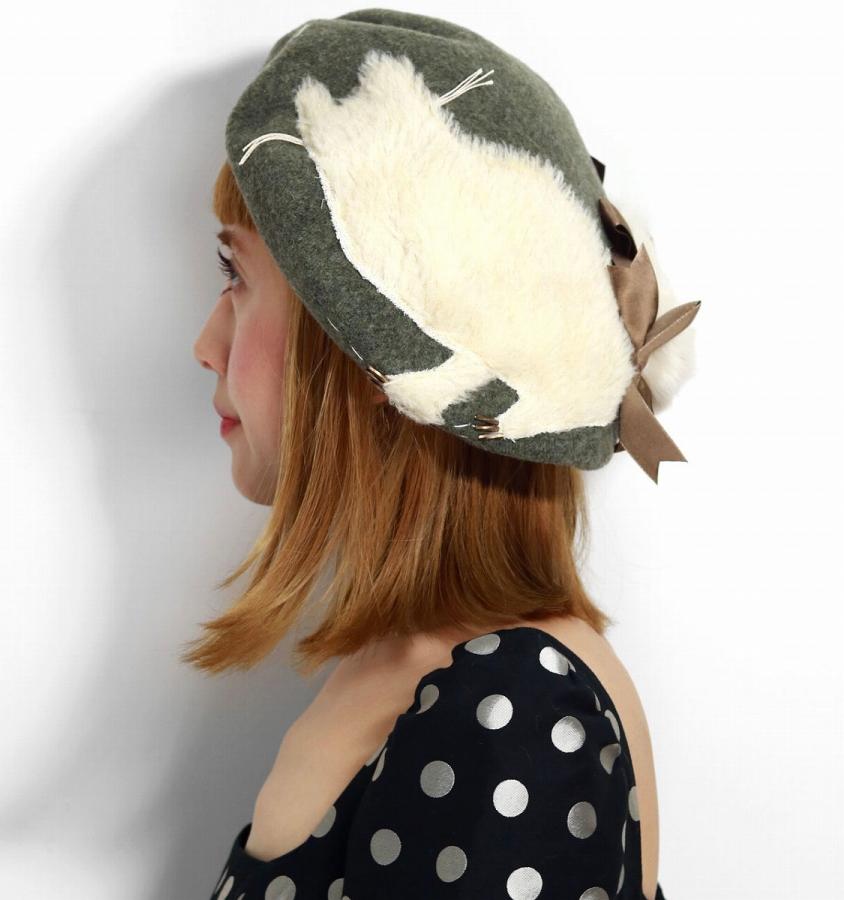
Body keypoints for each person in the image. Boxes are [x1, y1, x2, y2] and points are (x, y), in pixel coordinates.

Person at [190, 9, 700, 900]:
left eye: (236, 276)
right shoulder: (433, 675)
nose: (205, 343)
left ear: (373, 347)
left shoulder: (512, 709)